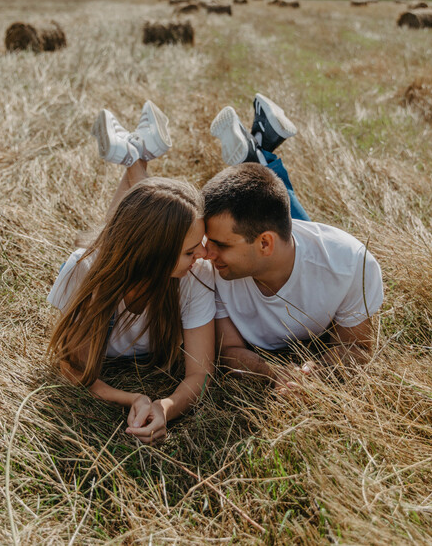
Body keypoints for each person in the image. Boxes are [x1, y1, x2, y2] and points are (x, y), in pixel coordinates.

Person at [47, 101, 215, 445]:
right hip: (112, 259)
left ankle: (134, 155)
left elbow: (200, 372)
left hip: (132, 251)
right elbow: (73, 368)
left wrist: (166, 407)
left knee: (131, 226)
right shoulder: (86, 273)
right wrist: (132, 398)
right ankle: (135, 155)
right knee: (110, 241)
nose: (203, 254)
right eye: (189, 250)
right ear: (155, 256)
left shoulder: (195, 275)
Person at [203, 94, 385, 389]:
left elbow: (358, 348)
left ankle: (260, 153)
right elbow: (227, 351)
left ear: (263, 244)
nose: (205, 252)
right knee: (276, 211)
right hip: (285, 242)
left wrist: (317, 374)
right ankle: (261, 153)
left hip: (300, 247)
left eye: (221, 245)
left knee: (285, 220)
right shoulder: (208, 268)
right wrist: (274, 375)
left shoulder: (351, 266)